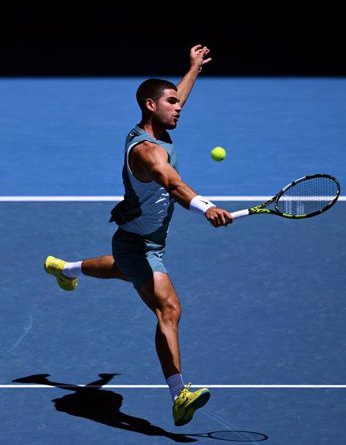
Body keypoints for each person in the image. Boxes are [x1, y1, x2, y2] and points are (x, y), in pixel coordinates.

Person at [44, 44, 233, 427]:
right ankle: (179, 393)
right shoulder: (148, 153)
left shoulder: (158, 125)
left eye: (179, 102)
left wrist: (193, 68)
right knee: (169, 309)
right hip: (137, 243)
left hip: (143, 241)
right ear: (150, 105)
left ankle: (66, 269)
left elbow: (175, 97)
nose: (179, 107)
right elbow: (174, 185)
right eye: (171, 102)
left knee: (122, 270)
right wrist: (206, 207)